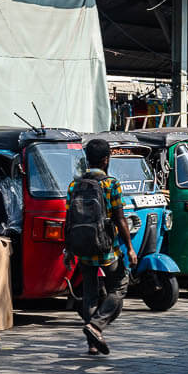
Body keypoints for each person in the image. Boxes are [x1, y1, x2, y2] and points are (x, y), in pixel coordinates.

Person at [67, 138, 133, 356]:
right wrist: (130, 248)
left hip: (83, 248)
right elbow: (120, 218)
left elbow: (68, 220)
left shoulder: (74, 185)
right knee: (120, 286)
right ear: (106, 159)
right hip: (107, 249)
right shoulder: (111, 184)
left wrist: (68, 249)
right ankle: (96, 326)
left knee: (90, 294)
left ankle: (93, 344)